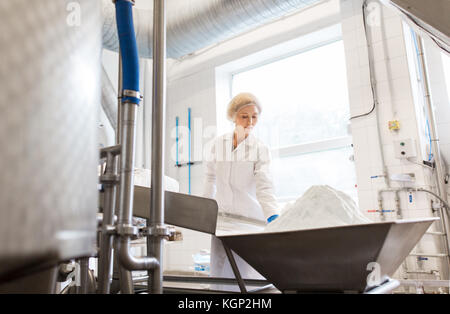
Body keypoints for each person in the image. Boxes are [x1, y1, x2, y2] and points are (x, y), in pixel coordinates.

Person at [203, 92, 280, 289]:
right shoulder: (219, 144)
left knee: (247, 279)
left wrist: (272, 215)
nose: (250, 121)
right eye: (244, 116)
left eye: (254, 116)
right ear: (233, 117)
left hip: (248, 220)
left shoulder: (260, 148)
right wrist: (203, 208)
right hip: (221, 219)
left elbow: (265, 184)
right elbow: (211, 177)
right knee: (221, 275)